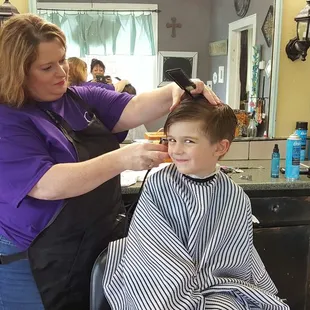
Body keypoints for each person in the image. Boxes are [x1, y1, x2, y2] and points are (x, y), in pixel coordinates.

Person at [0, 13, 220, 310]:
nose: (62, 72)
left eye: (62, 61)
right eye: (47, 67)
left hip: (93, 245)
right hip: (34, 260)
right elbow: (46, 184)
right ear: (18, 72)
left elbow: (136, 106)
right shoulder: (8, 118)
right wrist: (123, 158)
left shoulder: (80, 98)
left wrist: (175, 90)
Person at [103, 95, 289, 309]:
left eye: (188, 141)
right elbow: (154, 255)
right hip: (160, 284)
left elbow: (238, 260)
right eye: (171, 140)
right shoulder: (159, 186)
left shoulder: (235, 197)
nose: (176, 150)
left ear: (220, 147)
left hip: (218, 285)